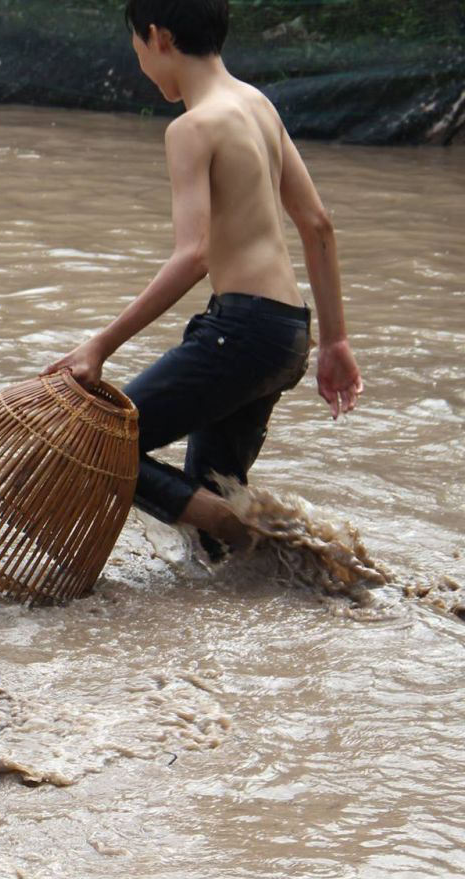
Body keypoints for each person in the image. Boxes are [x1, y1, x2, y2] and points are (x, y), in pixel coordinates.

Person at [48, 0, 363, 555]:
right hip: (285, 334)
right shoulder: (257, 105)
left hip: (240, 332)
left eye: (138, 49)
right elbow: (318, 225)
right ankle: (274, 558)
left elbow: (193, 257)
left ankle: (249, 531)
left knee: (100, 444)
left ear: (158, 37)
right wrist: (334, 341)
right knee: (213, 532)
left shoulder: (193, 129)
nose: (142, 63)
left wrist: (99, 345)